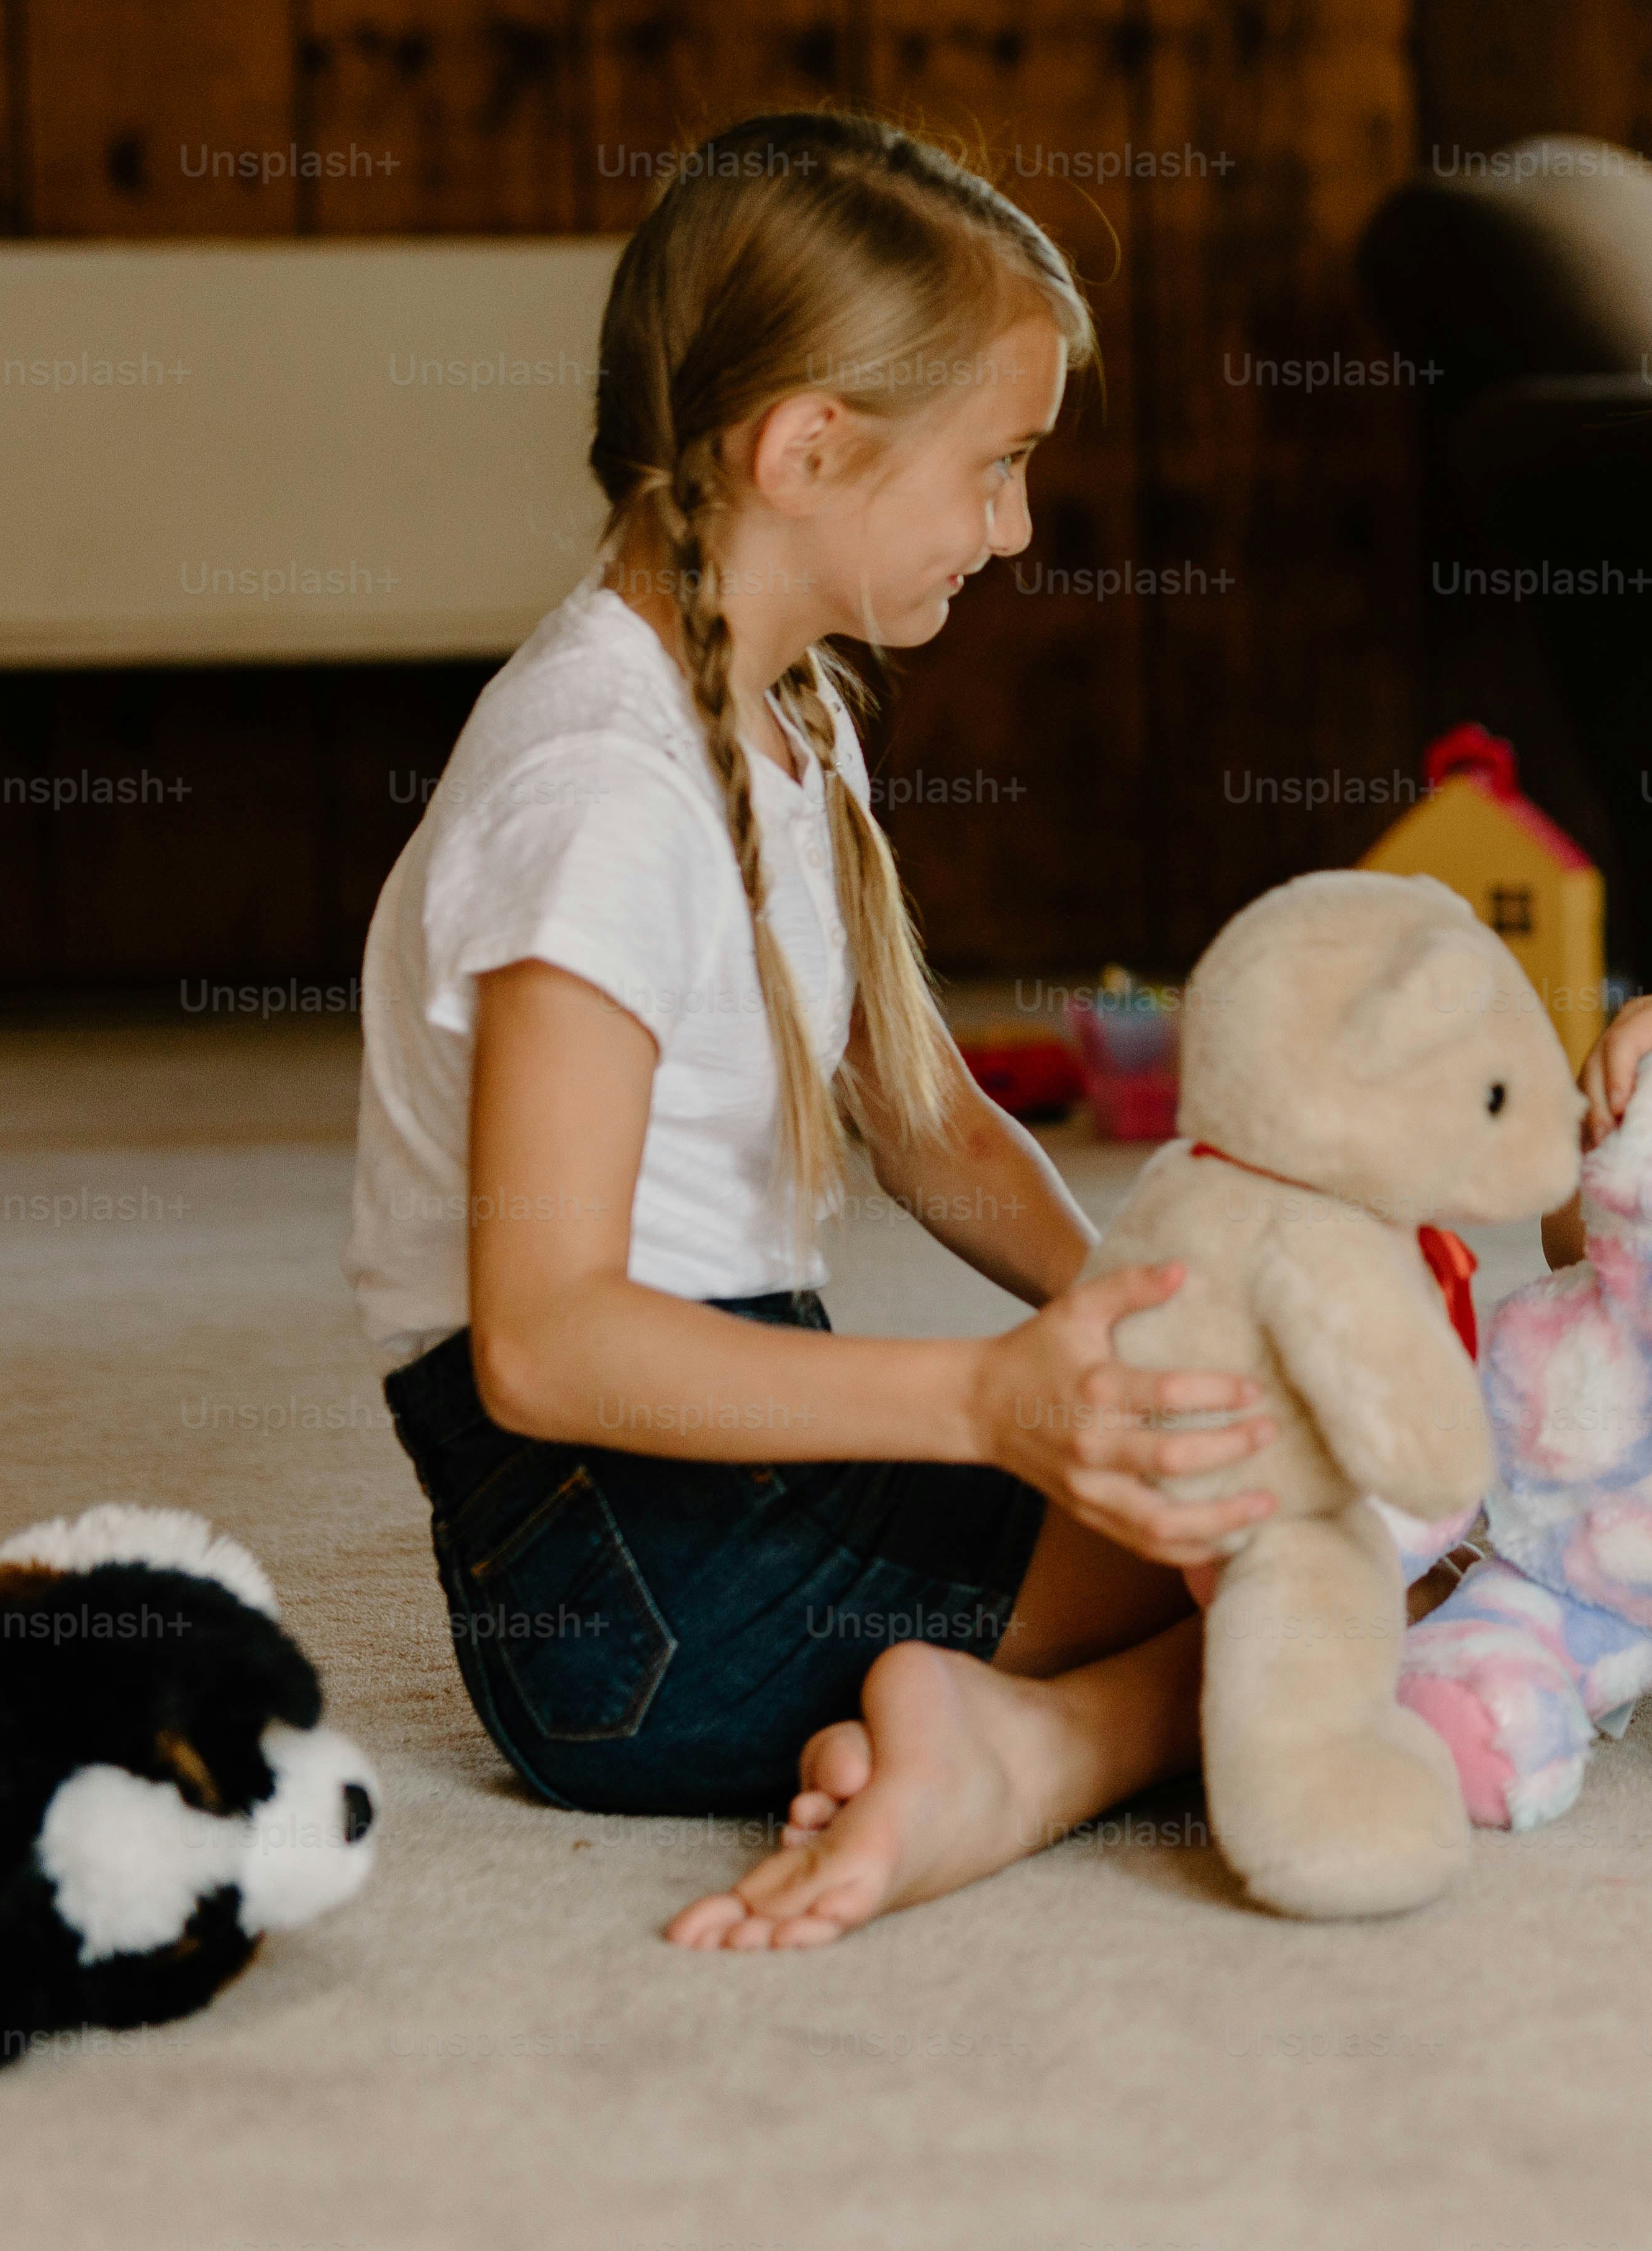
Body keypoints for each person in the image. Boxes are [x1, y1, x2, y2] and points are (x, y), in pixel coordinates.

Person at [348, 112, 1267, 1950]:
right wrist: (986, 1406)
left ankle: (1006, 1736)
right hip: (627, 1591)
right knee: (1323, 1568)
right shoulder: (598, 790)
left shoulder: (782, 717)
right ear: (809, 448)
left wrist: (1125, 1323)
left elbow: (920, 1118)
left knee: (1298, 1489)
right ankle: (1025, 1766)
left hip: (723, 1481)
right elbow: (541, 1346)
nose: (1013, 527)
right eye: (996, 467)